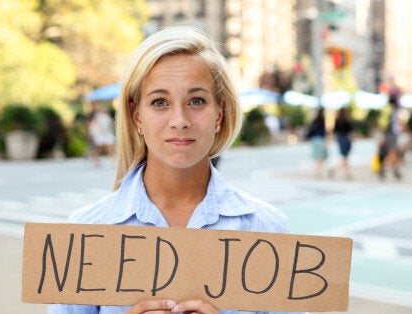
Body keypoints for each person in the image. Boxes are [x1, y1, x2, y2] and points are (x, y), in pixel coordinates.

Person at [48, 25, 296, 314]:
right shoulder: (85, 234)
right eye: (160, 102)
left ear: (219, 113)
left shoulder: (267, 229)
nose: (179, 120)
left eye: (196, 101)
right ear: (136, 115)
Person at [379, 77, 403, 180]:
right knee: (393, 151)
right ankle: (383, 168)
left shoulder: (388, 109)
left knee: (395, 152)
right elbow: (393, 125)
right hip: (392, 133)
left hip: (389, 133)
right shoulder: (393, 111)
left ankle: (396, 170)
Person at [87, 103, 116, 167]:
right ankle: (95, 161)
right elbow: (92, 126)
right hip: (99, 134)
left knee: (110, 148)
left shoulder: (107, 116)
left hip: (107, 134)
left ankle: (112, 161)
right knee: (98, 149)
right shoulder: (96, 116)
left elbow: (110, 125)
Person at [331, 107, 354, 179]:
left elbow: (334, 132)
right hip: (346, 139)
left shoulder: (337, 120)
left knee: (344, 158)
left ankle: (342, 172)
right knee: (345, 157)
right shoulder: (347, 120)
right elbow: (351, 131)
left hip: (340, 139)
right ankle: (346, 173)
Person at [305, 106, 328, 177]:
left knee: (318, 156)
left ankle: (317, 171)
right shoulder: (322, 120)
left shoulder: (314, 120)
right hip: (320, 139)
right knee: (321, 156)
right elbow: (324, 132)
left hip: (314, 140)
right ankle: (318, 171)